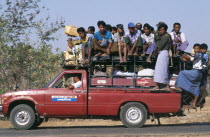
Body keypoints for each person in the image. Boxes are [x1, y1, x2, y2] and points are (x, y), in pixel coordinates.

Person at [175, 44, 203, 108]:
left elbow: (190, 58)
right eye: (195, 48)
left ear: (200, 49)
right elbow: (191, 55)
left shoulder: (198, 54)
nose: (196, 50)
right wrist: (185, 53)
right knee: (196, 87)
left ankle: (179, 86)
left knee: (182, 73)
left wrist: (183, 55)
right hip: (200, 74)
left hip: (195, 72)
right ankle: (194, 103)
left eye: (197, 48)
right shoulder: (200, 55)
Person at [152, 22, 171, 91]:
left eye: (162, 30)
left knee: (161, 70)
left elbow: (159, 46)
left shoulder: (165, 37)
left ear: (165, 30)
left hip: (163, 53)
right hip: (162, 54)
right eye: (160, 30)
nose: (161, 31)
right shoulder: (164, 36)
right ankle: (161, 86)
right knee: (160, 70)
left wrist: (156, 53)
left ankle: (162, 86)